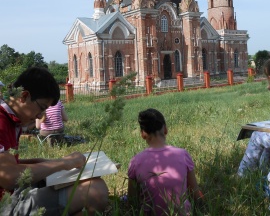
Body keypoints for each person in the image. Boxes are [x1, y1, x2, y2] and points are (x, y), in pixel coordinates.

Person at [0, 67, 108, 215]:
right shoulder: (1, 122)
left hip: (12, 194)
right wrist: (63, 163)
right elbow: (9, 177)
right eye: (41, 108)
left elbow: (8, 165)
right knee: (96, 190)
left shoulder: (10, 118)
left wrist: (43, 162)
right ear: (24, 96)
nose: (40, 116)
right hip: (5, 205)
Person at [127, 108, 204, 216]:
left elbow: (132, 202)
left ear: (143, 134)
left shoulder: (135, 161)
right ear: (165, 129)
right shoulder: (183, 155)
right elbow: (195, 193)